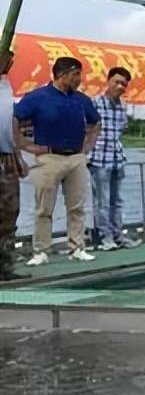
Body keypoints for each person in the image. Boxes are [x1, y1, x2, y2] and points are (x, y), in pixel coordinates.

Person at [13, 56, 100, 265]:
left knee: (77, 206)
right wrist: (25, 145)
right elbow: (14, 118)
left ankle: (77, 247)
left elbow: (96, 121)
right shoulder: (37, 97)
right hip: (48, 157)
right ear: (63, 74)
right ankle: (41, 250)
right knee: (44, 207)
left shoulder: (81, 99)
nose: (80, 79)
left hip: (76, 157)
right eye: (76, 74)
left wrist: (89, 145)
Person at [89, 66, 142, 251]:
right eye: (116, 82)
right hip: (99, 158)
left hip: (117, 158)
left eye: (124, 84)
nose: (120, 86)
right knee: (102, 201)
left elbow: (121, 130)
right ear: (108, 81)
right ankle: (105, 237)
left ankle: (118, 235)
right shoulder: (95, 103)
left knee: (117, 200)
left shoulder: (122, 106)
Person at [0, 48, 29, 281]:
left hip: (7, 156)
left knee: (10, 211)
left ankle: (5, 265)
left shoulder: (7, 87)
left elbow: (11, 125)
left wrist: (18, 156)